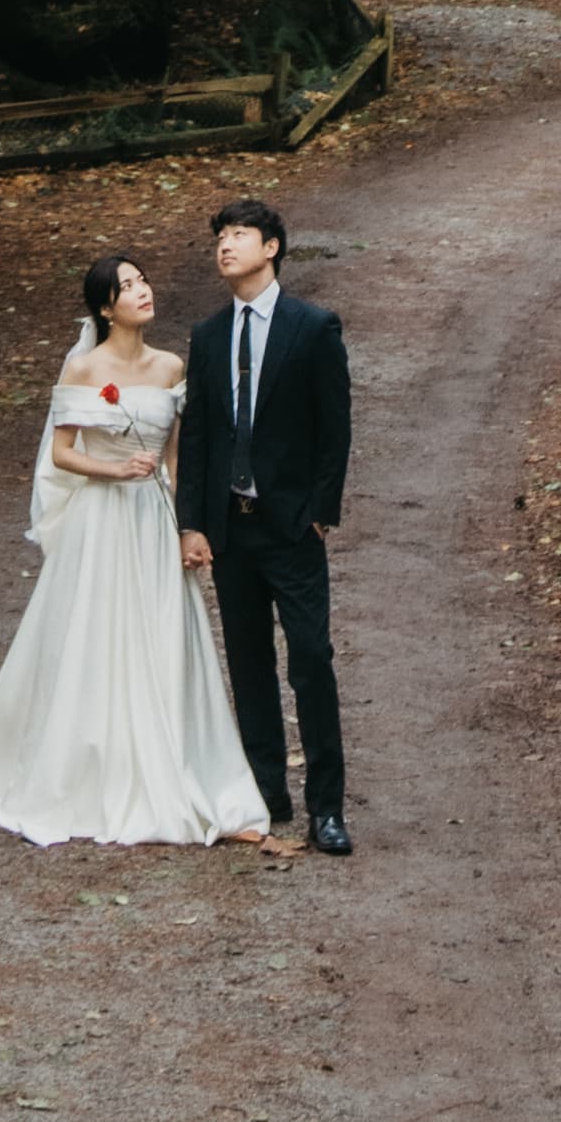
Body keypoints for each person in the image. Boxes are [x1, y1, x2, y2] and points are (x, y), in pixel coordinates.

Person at [0, 253, 277, 848]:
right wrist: (113, 470)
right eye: (127, 286)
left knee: (164, 632)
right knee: (98, 635)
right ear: (104, 307)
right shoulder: (86, 368)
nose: (142, 290)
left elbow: (175, 454)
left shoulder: (172, 365)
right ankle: (94, 766)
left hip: (152, 513)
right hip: (103, 517)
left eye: (142, 279)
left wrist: (183, 524)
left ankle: (181, 766)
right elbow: (62, 454)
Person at [176, 196, 352, 854]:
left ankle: (326, 808)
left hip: (291, 529)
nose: (226, 245)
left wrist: (319, 515)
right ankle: (266, 790)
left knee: (310, 659)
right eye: (220, 236)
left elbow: (335, 429)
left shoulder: (313, 328)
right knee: (248, 664)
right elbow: (197, 438)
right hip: (231, 529)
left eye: (239, 234)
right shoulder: (208, 336)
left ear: (271, 248)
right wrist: (191, 522)